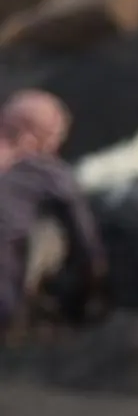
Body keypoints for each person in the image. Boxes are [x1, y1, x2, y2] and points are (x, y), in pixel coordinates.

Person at [0, 89, 108, 338]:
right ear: (36, 135)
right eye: (54, 138)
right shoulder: (45, 171)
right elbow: (83, 236)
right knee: (49, 232)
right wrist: (94, 284)